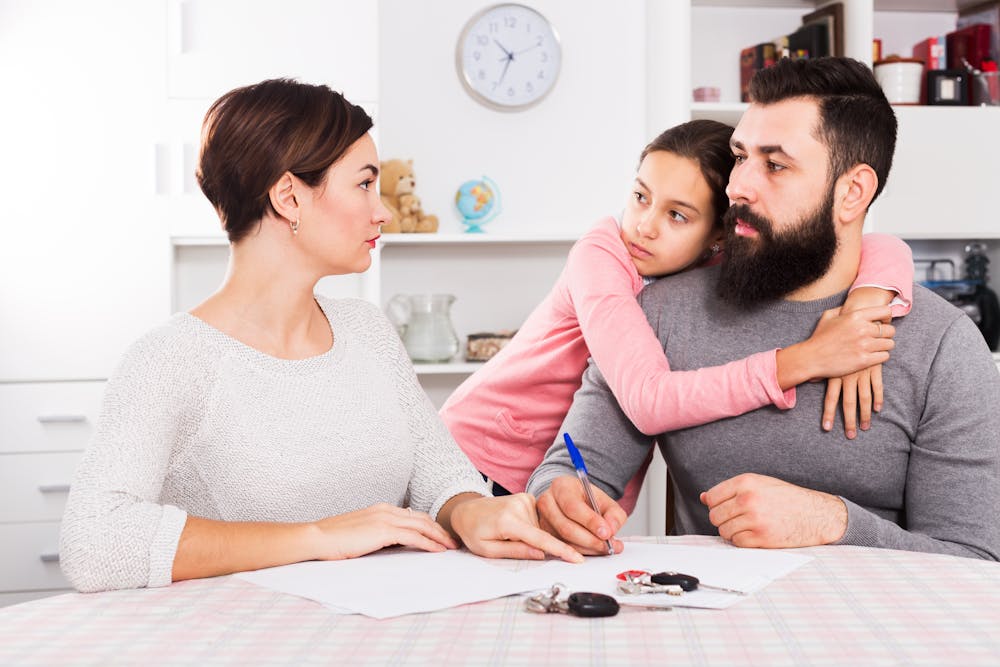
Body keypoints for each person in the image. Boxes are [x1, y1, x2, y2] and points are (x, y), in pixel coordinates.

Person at [59, 78, 580, 594]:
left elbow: (438, 473)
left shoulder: (367, 331)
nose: (384, 210)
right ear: (289, 197)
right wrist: (315, 537)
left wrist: (471, 511)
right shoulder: (170, 360)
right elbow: (94, 542)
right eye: (364, 184)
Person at [526, 57, 1000, 561]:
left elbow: (975, 561)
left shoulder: (941, 346)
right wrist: (560, 498)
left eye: (774, 165)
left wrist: (831, 521)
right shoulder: (658, 313)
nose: (736, 188)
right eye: (739, 157)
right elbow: (572, 469)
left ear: (852, 192)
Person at [441, 119, 913, 514]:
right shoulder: (601, 254)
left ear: (720, 237)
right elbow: (648, 400)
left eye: (677, 216)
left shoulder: (712, 273)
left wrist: (867, 304)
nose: (644, 226)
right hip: (472, 462)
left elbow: (879, 243)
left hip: (561, 479)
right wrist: (805, 359)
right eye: (641, 197)